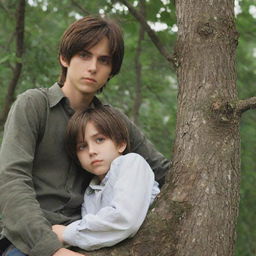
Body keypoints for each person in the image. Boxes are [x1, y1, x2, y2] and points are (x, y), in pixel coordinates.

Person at [0, 15, 170, 256]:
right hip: (28, 242)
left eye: (104, 60)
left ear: (111, 71)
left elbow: (164, 172)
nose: (93, 67)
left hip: (88, 241)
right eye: (84, 55)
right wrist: (52, 250)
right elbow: (11, 180)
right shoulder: (34, 105)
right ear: (65, 58)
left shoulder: (113, 122)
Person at [52, 105, 160, 251]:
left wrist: (66, 233)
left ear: (121, 144)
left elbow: (124, 219)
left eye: (100, 140)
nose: (91, 151)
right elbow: (94, 238)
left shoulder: (131, 163)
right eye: (82, 146)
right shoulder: (90, 191)